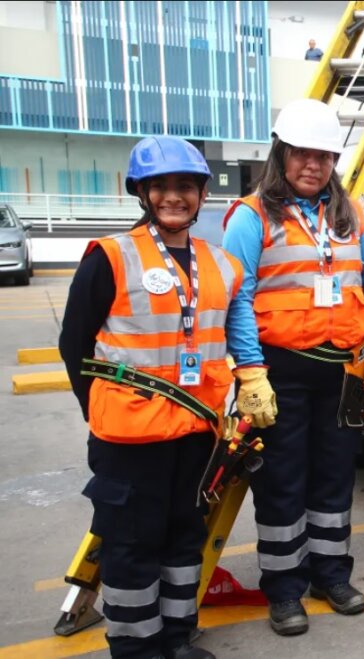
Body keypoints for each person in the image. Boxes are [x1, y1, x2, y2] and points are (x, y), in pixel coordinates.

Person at [222, 98, 364, 636]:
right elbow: (239, 299)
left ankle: (332, 574)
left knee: (333, 478)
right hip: (279, 371)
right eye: (302, 154)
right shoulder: (251, 216)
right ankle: (284, 590)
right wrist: (250, 373)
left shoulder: (351, 216)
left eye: (324, 156)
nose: (313, 165)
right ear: (281, 155)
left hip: (343, 373)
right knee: (282, 482)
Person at [59, 136, 243, 659]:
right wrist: (97, 408)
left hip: (195, 432)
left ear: (201, 193)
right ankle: (137, 648)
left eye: (184, 186)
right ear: (141, 193)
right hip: (129, 435)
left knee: (184, 535)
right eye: (160, 187)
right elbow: (75, 344)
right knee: (132, 544)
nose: (173, 197)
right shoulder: (110, 257)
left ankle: (177, 638)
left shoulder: (222, 265)